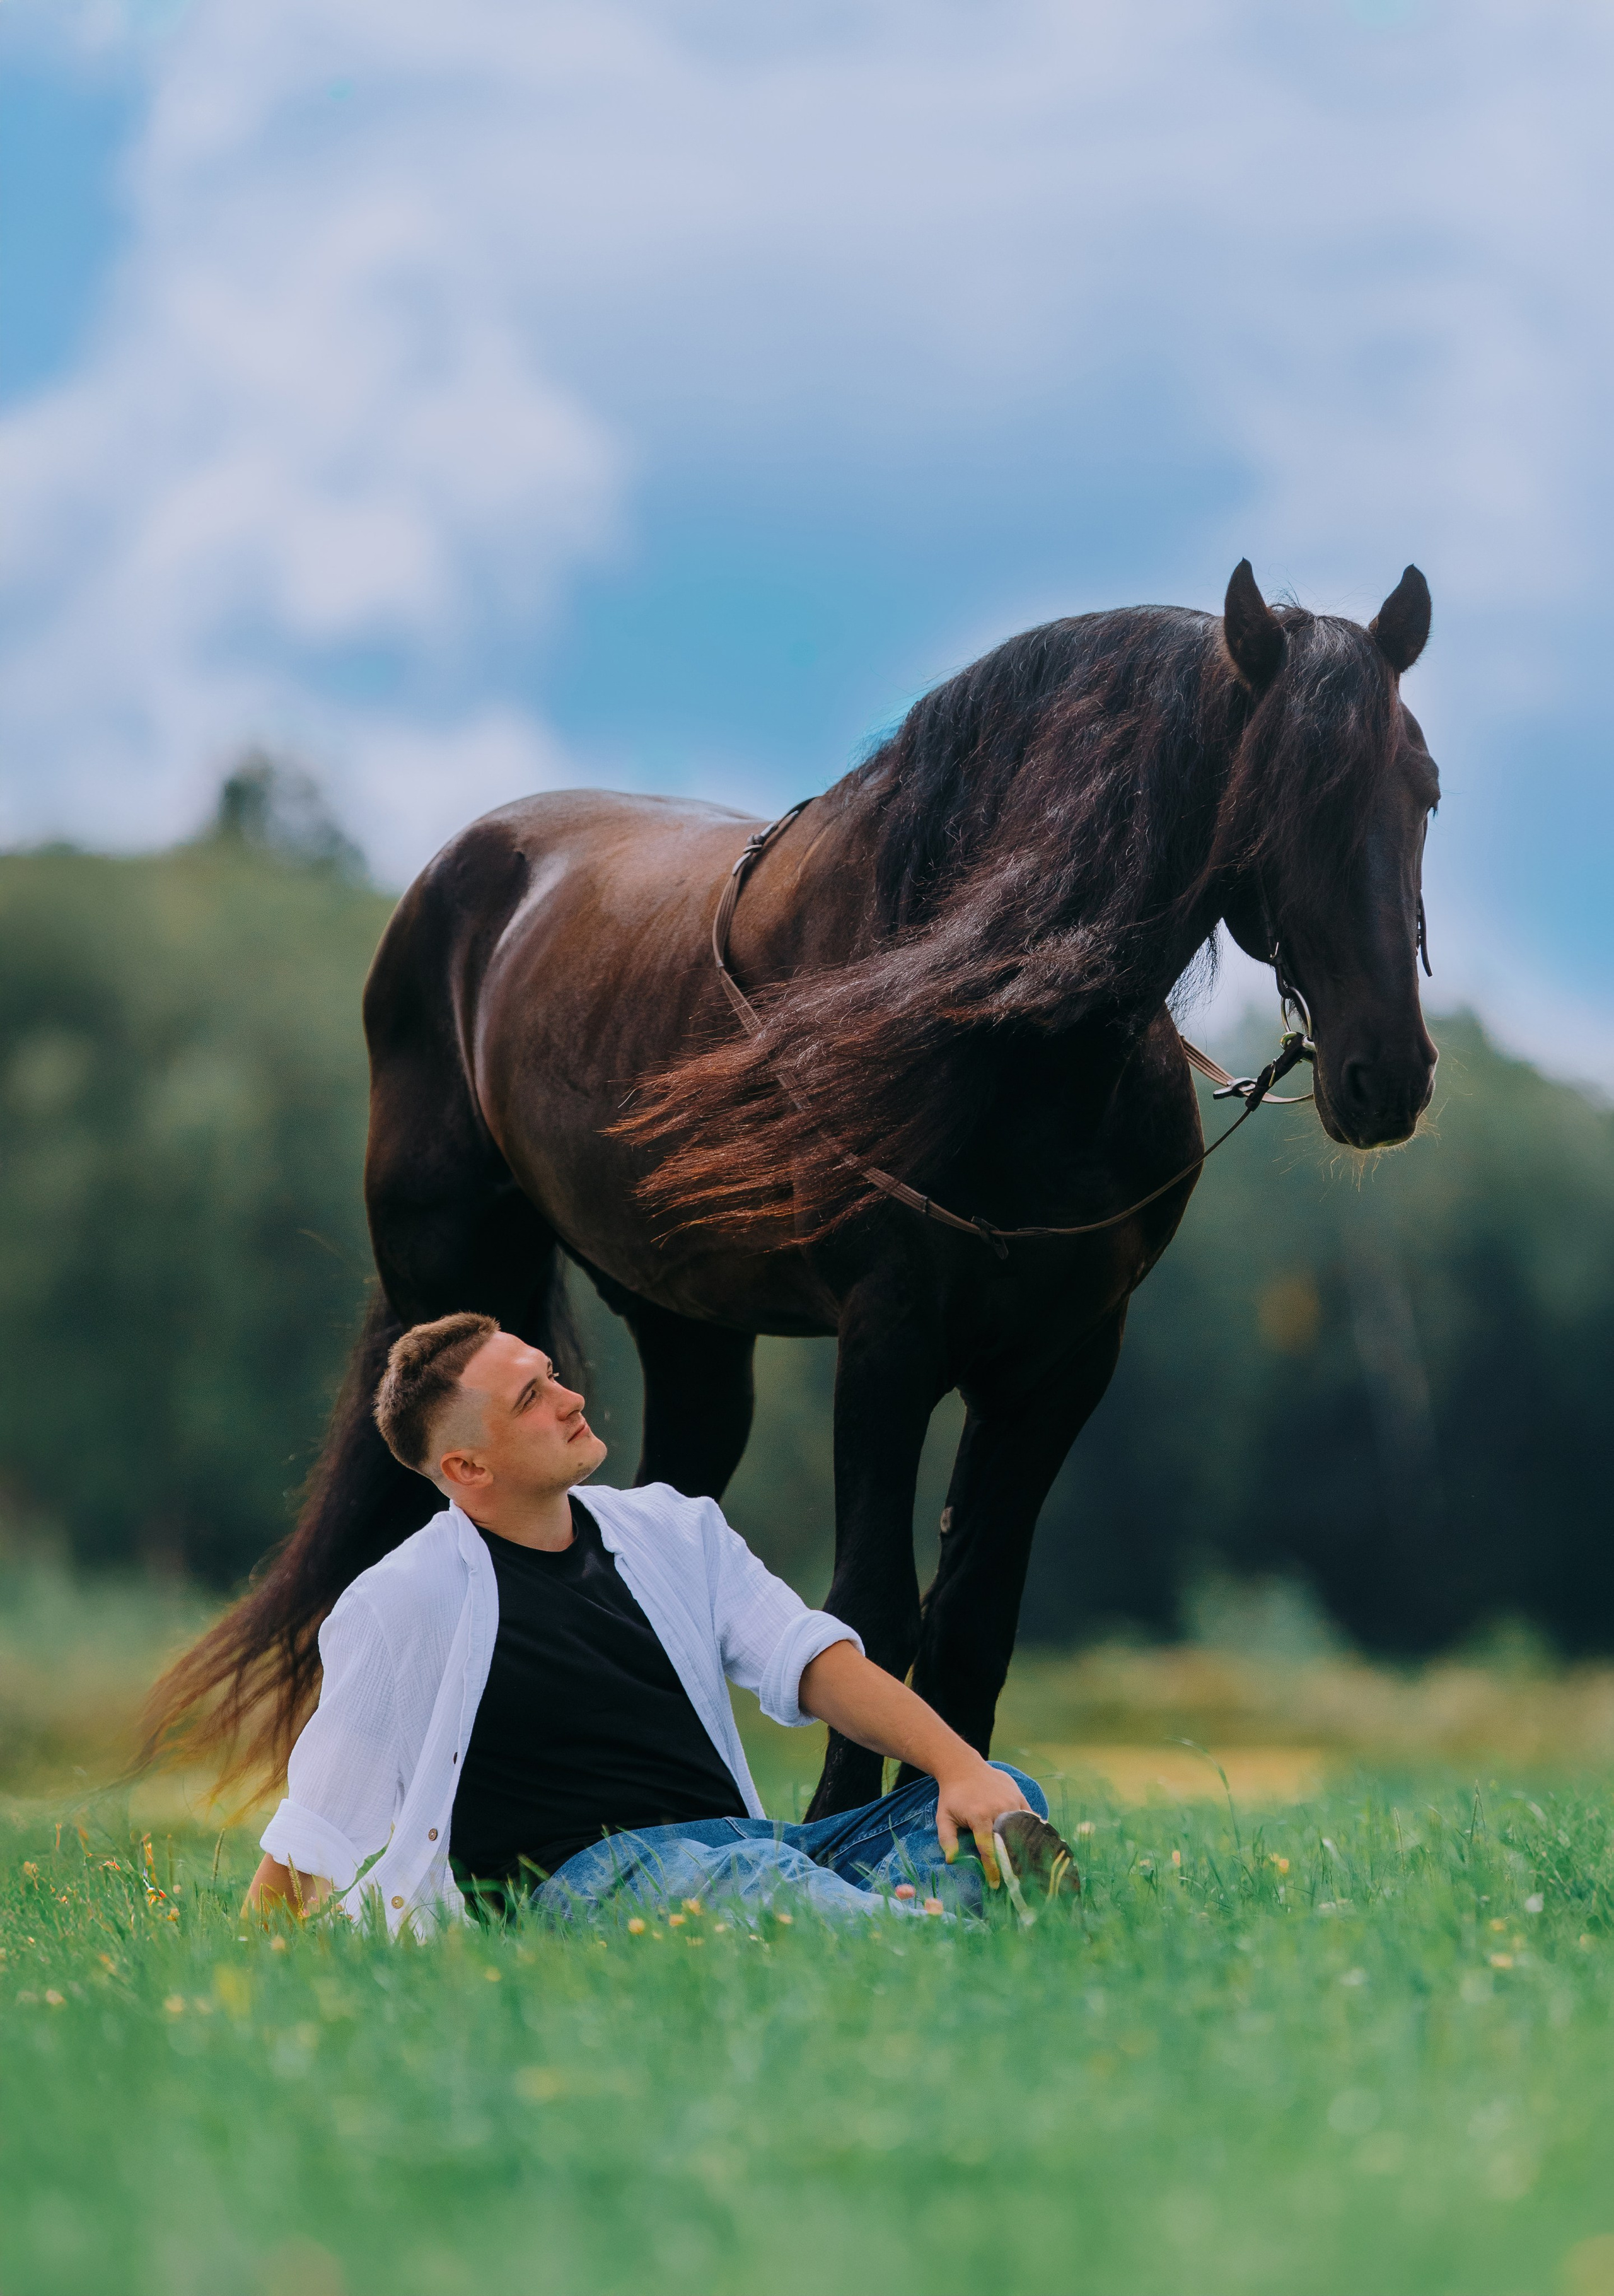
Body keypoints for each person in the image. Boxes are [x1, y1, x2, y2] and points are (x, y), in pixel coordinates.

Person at [247, 1312, 1081, 1933]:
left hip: (749, 1847)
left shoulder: (674, 1530)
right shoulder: (402, 1600)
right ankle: (947, 1940)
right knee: (751, 1880)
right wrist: (247, 1967)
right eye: (533, 1396)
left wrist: (961, 1765)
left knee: (998, 1801)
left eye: (552, 1373)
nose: (572, 1397)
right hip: (585, 1885)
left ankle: (883, 1924)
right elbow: (318, 1821)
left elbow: (812, 1660)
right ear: (467, 1466)